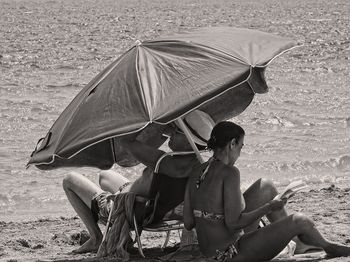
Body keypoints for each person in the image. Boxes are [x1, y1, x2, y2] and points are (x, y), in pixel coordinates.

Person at [184, 121, 350, 261]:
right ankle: (329, 247)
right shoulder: (230, 173)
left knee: (266, 185)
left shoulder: (196, 171)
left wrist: (210, 216)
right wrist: (270, 207)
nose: (239, 154)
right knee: (301, 220)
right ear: (232, 144)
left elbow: (189, 222)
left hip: (209, 252)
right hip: (229, 254)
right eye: (240, 147)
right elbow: (235, 224)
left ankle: (297, 243)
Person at [62, 109, 215, 254]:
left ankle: (96, 237)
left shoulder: (164, 162)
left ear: (189, 141)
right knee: (105, 174)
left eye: (177, 131)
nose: (172, 131)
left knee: (69, 179)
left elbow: (126, 142)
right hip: (158, 209)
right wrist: (169, 128)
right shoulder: (203, 165)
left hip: (129, 210)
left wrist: (153, 119)